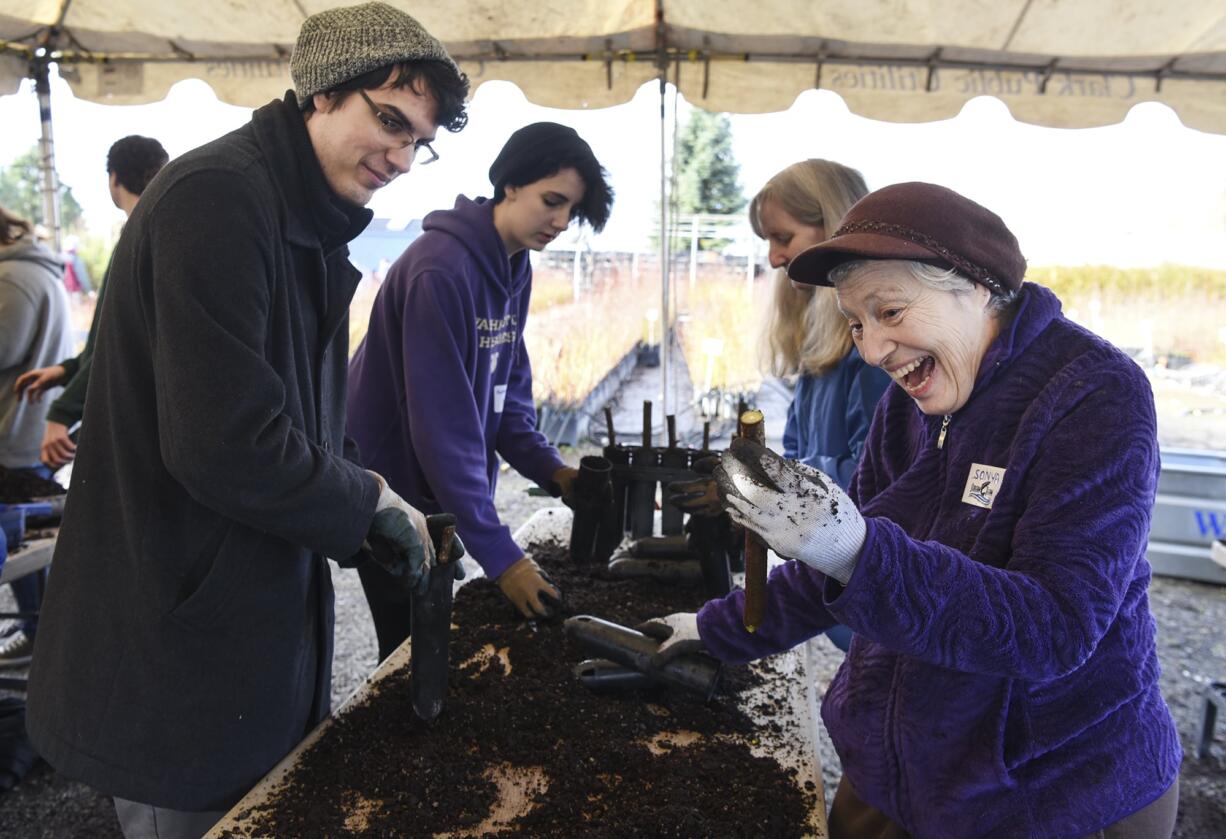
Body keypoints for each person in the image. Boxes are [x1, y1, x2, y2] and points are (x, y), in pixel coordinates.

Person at [25, 4, 470, 837]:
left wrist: (367, 492)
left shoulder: (305, 217)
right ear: (319, 94)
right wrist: (364, 499)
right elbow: (224, 441)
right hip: (174, 648)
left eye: (420, 141)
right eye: (389, 120)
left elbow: (305, 413)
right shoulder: (218, 201)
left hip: (238, 637)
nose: (403, 157)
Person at [643, 182, 1181, 838]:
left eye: (891, 311)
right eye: (857, 322)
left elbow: (1055, 626)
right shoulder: (907, 404)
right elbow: (838, 564)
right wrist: (715, 629)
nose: (872, 350)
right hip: (898, 775)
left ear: (976, 284)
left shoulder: (1093, 396)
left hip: (1045, 796)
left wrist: (858, 550)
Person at [347, 122, 613, 656]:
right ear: (510, 184)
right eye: (552, 201)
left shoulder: (514, 266)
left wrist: (554, 470)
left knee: (436, 645)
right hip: (388, 492)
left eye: (571, 211)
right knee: (409, 653)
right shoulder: (440, 271)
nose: (560, 222)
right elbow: (444, 430)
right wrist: (504, 558)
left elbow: (508, 397)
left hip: (436, 491)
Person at [753, 159, 890, 651]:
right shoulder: (821, 344)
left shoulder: (877, 351)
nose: (772, 259)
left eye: (783, 238)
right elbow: (797, 449)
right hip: (836, 595)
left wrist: (763, 490)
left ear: (830, 227)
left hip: (871, 599)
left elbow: (876, 479)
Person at [15, 135, 170, 470]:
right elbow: (113, 336)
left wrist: (62, 412)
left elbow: (123, 341)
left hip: (142, 424)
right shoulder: (156, 234)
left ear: (113, 178)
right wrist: (66, 370)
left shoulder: (141, 239)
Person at [0, 205, 73, 665]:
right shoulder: (36, 268)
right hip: (30, 422)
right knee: (34, 540)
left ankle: (38, 635)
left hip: (18, 430)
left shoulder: (12, 280)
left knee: (26, 542)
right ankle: (44, 633)